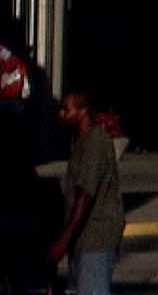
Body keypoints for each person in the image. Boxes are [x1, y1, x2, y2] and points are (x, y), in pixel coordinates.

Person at [47, 92, 121, 295]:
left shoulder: (94, 142)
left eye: (66, 109)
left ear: (82, 112)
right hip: (83, 238)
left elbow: (85, 196)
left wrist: (63, 240)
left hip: (95, 238)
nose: (61, 114)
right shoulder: (81, 141)